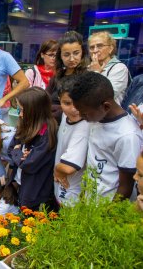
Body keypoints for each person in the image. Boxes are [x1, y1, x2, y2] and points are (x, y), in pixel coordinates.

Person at [70, 72, 142, 200]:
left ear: (106, 106)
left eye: (84, 113)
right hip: (91, 204)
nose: (81, 116)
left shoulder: (127, 135)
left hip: (109, 212)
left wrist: (106, 215)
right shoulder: (96, 118)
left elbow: (125, 188)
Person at [8, 87, 58, 211]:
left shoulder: (47, 133)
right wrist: (18, 154)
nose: (19, 114)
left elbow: (29, 164)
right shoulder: (26, 123)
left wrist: (16, 152)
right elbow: (10, 149)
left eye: (22, 110)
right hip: (21, 183)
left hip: (35, 192)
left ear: (35, 111)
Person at [53, 78, 90, 206]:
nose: (74, 109)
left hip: (71, 189)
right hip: (62, 185)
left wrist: (57, 170)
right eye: (67, 103)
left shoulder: (84, 127)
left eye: (78, 103)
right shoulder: (65, 116)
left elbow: (69, 168)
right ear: (59, 100)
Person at [47, 31, 88, 123]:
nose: (72, 59)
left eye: (76, 53)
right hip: (52, 125)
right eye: (66, 55)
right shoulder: (57, 76)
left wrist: (58, 109)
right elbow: (44, 100)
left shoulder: (87, 78)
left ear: (82, 53)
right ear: (60, 56)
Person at [88, 31, 130, 105]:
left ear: (110, 48)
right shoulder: (89, 67)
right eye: (92, 47)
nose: (95, 50)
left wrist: (96, 72)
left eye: (100, 46)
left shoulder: (119, 68)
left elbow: (107, 95)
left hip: (110, 114)